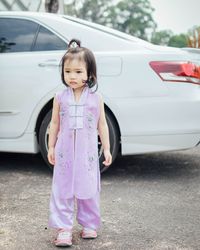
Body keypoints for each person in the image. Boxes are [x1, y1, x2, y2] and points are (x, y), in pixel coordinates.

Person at [47, 38, 112, 247]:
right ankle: (64, 228)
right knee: (62, 188)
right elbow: (54, 122)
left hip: (87, 153)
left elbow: (102, 124)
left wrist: (107, 148)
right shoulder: (59, 97)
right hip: (65, 152)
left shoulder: (96, 98)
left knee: (88, 187)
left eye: (77, 72)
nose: (72, 76)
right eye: (67, 72)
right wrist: (50, 146)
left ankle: (89, 224)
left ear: (89, 74)